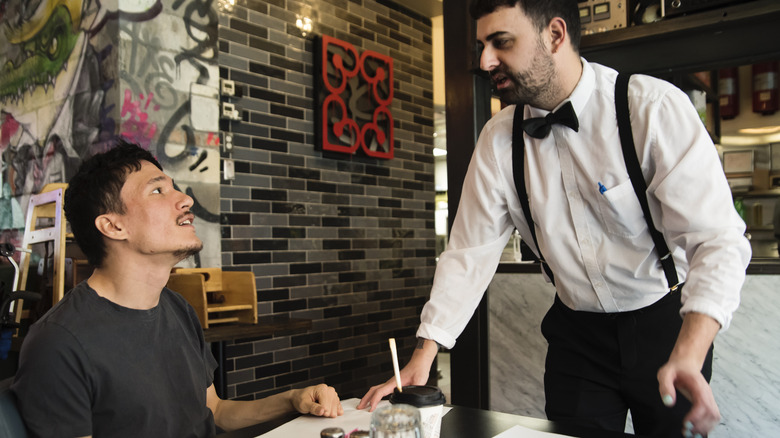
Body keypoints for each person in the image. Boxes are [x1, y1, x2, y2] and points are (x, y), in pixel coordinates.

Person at [359, 1, 751, 437]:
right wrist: (424, 355)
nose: (486, 60)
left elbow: (717, 240)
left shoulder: (650, 109)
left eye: (501, 42)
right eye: (481, 46)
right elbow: (469, 253)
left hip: (664, 327)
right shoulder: (497, 142)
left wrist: (691, 350)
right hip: (576, 337)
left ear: (555, 35)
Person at [11, 140, 343, 437]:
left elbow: (214, 411)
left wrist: (292, 400)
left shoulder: (178, 309)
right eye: (157, 191)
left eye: (174, 188)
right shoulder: (58, 344)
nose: (185, 198)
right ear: (113, 225)